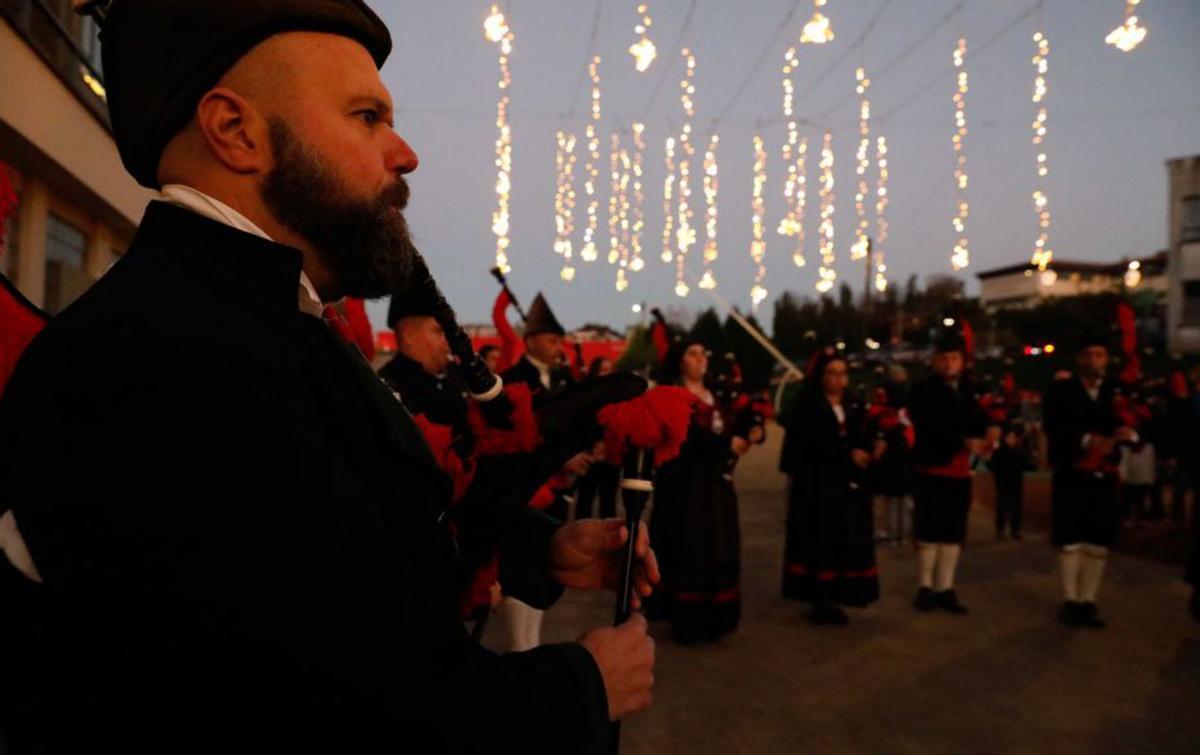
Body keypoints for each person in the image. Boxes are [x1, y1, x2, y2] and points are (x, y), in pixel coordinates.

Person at [0, 3, 656, 752]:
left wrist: (535, 549)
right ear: (236, 131)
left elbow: (344, 566)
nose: (404, 153)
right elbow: (330, 707)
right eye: (367, 116)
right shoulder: (162, 355)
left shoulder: (258, 318)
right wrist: (580, 688)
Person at [647, 338, 760, 643]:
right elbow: (685, 437)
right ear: (680, 360)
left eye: (703, 353)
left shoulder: (718, 392)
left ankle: (716, 616)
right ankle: (685, 619)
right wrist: (726, 445)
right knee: (688, 545)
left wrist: (752, 430)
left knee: (717, 544)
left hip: (715, 486)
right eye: (693, 354)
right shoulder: (670, 394)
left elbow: (748, 411)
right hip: (685, 485)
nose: (701, 359)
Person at [1044, 330, 1136, 629]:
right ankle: (1070, 599)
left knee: (1098, 541)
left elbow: (1140, 423)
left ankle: (1088, 600)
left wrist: (1131, 435)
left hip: (1105, 476)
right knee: (1071, 538)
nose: (1094, 360)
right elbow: (1053, 426)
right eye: (1088, 354)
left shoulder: (1118, 390)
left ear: (1107, 359)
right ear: (1078, 358)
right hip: (1072, 473)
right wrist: (1085, 440)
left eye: (1099, 354)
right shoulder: (1061, 390)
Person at [780, 350, 880, 626]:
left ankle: (837, 596)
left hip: (846, 491)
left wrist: (872, 448)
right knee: (819, 544)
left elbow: (863, 435)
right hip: (818, 490)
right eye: (831, 373)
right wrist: (847, 454)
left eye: (841, 374)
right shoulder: (808, 407)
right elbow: (807, 447)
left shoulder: (854, 406)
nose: (837, 379)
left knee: (842, 543)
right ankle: (820, 600)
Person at [908, 325, 994, 615]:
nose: (949, 364)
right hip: (932, 468)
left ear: (962, 360)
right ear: (935, 361)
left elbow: (979, 419)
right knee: (929, 530)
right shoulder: (922, 390)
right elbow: (928, 426)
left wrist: (990, 431)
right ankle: (925, 586)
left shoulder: (971, 389)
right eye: (943, 358)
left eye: (954, 358)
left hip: (959, 471)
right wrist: (963, 439)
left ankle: (945, 587)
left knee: (953, 531)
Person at [502, 292, 575, 401]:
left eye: (561, 342)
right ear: (531, 342)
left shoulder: (565, 377)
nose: (560, 348)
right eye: (552, 341)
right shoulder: (511, 380)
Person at [989, 421, 1035, 540]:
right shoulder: (999, 452)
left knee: (1015, 507)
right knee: (1002, 506)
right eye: (1009, 437)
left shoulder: (1019, 453)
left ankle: (1015, 530)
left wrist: (1031, 459)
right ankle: (1001, 530)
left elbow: (1029, 466)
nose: (1011, 440)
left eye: (1013, 437)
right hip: (1002, 483)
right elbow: (993, 466)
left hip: (1015, 483)